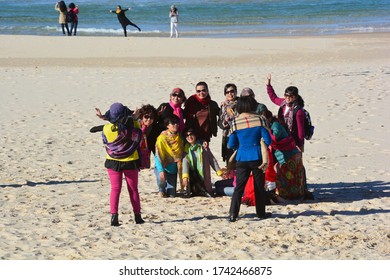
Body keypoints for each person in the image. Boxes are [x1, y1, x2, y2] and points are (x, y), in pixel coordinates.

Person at [98, 102, 145, 226]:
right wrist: (134, 117)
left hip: (113, 162)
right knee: (133, 189)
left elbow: (105, 139)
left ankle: (114, 216)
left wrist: (104, 117)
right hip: (131, 161)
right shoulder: (134, 126)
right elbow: (139, 136)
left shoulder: (107, 129)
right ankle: (137, 216)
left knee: (115, 189)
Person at [227, 96, 272, 222]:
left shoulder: (235, 122)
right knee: (259, 186)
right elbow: (268, 140)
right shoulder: (259, 120)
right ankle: (261, 213)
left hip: (242, 157)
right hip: (257, 156)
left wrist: (240, 147)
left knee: (239, 187)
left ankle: (233, 214)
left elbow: (231, 144)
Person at [262, 110, 305, 201]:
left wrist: (265, 129)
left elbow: (273, 137)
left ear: (269, 118)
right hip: (284, 155)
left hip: (290, 155)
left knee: (289, 176)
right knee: (284, 175)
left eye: (264, 119)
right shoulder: (272, 126)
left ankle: (291, 195)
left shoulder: (276, 125)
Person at [182, 128, 224, 197]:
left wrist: (219, 171)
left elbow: (212, 160)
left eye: (191, 134)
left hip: (204, 175)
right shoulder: (186, 149)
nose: (189, 137)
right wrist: (185, 176)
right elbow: (185, 163)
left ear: (195, 135)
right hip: (193, 176)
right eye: (187, 135)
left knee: (207, 191)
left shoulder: (203, 147)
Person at [154, 115, 184, 198]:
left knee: (172, 195)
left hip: (173, 169)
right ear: (167, 125)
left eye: (177, 123)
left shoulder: (180, 138)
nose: (176, 125)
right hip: (163, 166)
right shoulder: (162, 138)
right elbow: (158, 155)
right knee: (161, 180)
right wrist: (161, 170)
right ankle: (161, 189)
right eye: (173, 123)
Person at [133, 104, 160, 170]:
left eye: (151, 117)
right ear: (142, 116)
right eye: (146, 117)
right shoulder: (136, 124)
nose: (149, 119)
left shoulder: (154, 127)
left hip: (148, 148)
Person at [218, 83, 238, 165]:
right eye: (227, 92)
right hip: (228, 136)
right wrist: (224, 124)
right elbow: (219, 122)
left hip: (240, 134)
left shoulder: (242, 104)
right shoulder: (223, 106)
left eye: (232, 91)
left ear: (236, 92)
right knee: (230, 161)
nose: (230, 93)